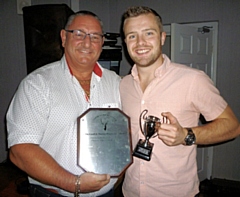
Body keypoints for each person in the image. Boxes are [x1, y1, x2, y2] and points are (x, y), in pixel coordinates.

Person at [120, 6, 240, 197]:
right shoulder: (123, 85)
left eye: (148, 33)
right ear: (125, 41)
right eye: (132, 36)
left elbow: (232, 126)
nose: (140, 42)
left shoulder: (192, 79)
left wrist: (186, 135)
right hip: (130, 191)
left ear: (162, 37)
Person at [7, 10, 121, 197]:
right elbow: (20, 150)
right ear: (63, 37)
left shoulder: (116, 83)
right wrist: (74, 183)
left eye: (94, 36)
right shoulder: (37, 84)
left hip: (106, 193)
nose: (87, 43)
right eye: (78, 34)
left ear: (102, 42)